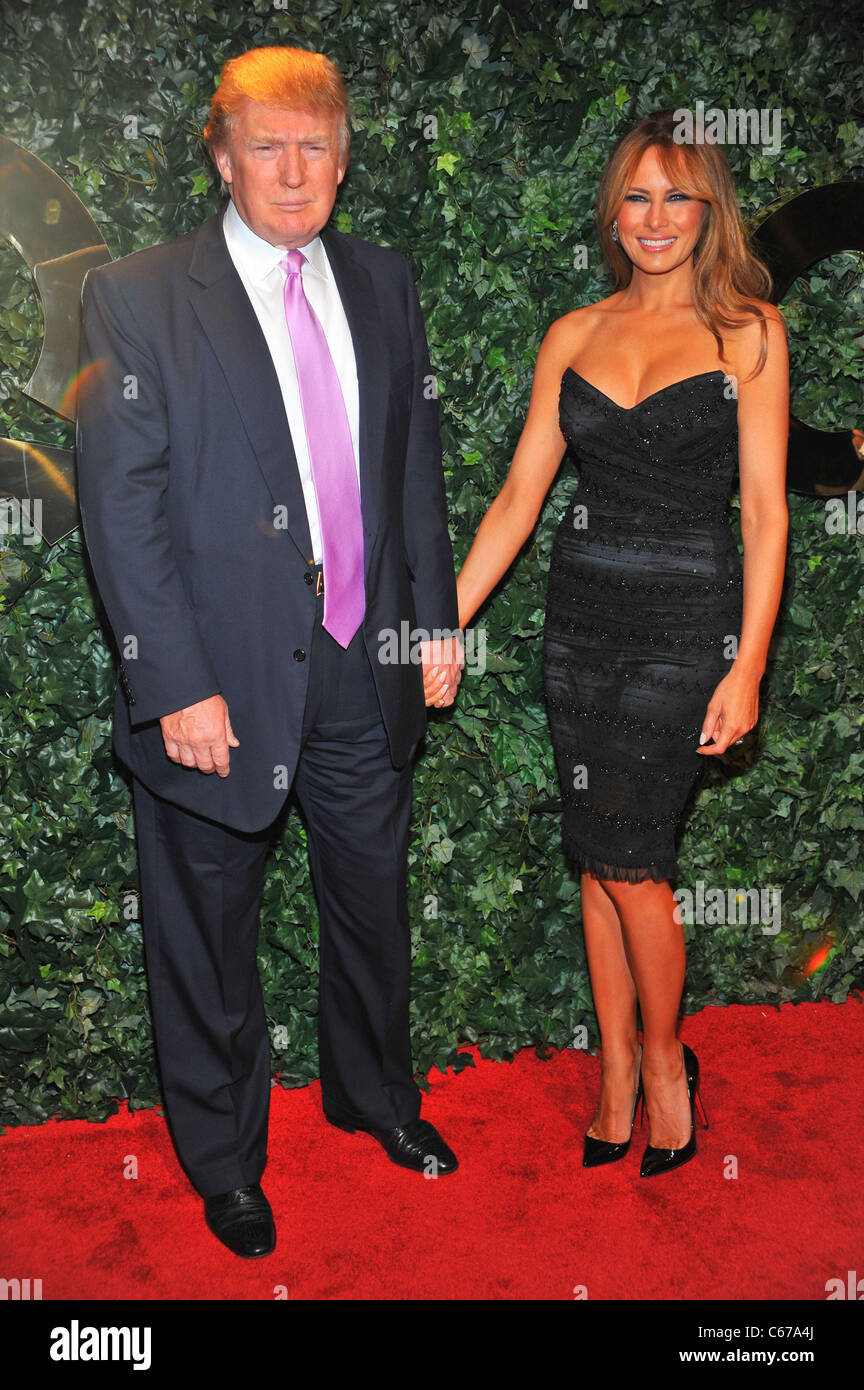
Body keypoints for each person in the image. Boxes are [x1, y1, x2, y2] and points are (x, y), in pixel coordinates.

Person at [75, 44, 464, 1258]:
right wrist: (171, 681)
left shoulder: (386, 280)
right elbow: (118, 507)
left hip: (364, 656)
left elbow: (412, 466)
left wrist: (436, 617)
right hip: (216, 679)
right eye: (266, 145)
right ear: (221, 152)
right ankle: (226, 1164)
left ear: (342, 157)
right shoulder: (138, 295)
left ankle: (374, 1097)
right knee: (206, 937)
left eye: (316, 146)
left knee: (372, 908)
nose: (292, 171)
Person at [456, 110, 788, 1177]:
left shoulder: (749, 333)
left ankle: (663, 1064)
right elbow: (519, 497)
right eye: (638, 196)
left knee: (636, 863)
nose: (656, 219)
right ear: (615, 210)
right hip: (581, 627)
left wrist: (747, 666)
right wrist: (443, 620)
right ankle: (608, 1073)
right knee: (596, 862)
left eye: (677, 196)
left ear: (709, 210)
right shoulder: (573, 333)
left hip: (686, 630)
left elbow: (770, 515)